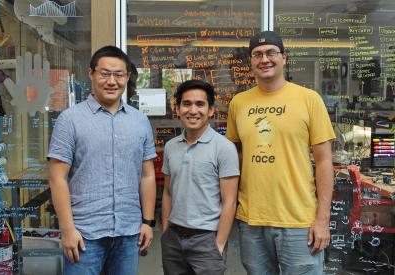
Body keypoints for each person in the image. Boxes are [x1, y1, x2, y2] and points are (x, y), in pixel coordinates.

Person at [226, 31, 336, 275]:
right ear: (251, 62)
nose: (264, 59)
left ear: (284, 58)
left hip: (298, 221)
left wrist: (322, 220)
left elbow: (325, 161)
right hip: (252, 219)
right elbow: (235, 156)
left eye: (271, 53)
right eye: (257, 55)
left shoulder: (309, 99)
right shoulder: (239, 103)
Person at [48, 45, 157, 275]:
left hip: (128, 233)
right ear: (91, 74)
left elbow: (147, 175)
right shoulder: (70, 120)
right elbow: (57, 177)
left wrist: (147, 221)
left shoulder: (140, 121)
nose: (111, 81)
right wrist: (67, 229)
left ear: (127, 77)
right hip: (85, 235)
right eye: (105, 73)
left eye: (119, 75)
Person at [161, 80, 240, 275]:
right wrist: (165, 231)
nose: (193, 110)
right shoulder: (171, 146)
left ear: (211, 110)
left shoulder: (224, 148)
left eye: (200, 104)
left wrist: (219, 244)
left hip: (207, 240)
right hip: (173, 238)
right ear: (177, 109)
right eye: (186, 104)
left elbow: (230, 201)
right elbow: (168, 192)